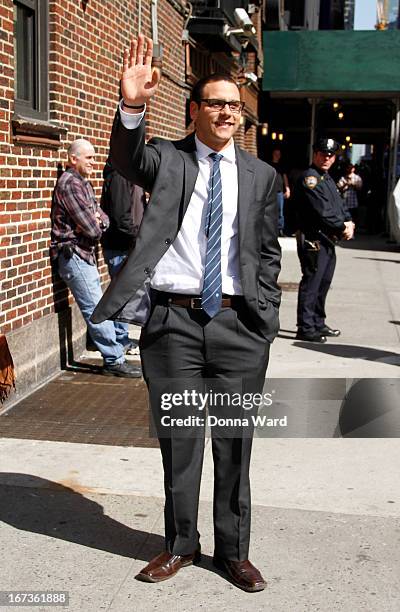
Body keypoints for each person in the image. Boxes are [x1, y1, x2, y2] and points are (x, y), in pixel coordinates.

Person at [92, 35, 281, 592]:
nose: (227, 112)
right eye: (215, 102)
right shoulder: (168, 160)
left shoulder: (262, 177)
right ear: (194, 110)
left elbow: (267, 249)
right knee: (179, 442)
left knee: (233, 445)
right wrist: (131, 107)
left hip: (239, 325)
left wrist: (263, 313)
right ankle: (179, 546)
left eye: (234, 105)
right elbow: (126, 158)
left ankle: (233, 552)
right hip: (173, 325)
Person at [50, 139, 142, 378]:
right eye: (88, 157)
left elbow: (104, 217)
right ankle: (114, 360)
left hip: (85, 254)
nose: (94, 162)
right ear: (73, 159)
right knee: (96, 309)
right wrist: (93, 222)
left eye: (93, 157)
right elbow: (93, 228)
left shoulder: (85, 184)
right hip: (74, 255)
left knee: (99, 305)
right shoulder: (70, 184)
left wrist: (95, 221)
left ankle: (115, 353)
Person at [294, 138, 355, 343]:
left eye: (330, 155)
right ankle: (306, 327)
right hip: (313, 238)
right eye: (322, 154)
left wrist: (349, 221)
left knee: (323, 283)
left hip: (327, 239)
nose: (326, 158)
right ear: (315, 154)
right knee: (312, 282)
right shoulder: (310, 178)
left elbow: (339, 205)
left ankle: (318, 323)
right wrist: (342, 226)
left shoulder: (327, 178)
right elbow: (323, 211)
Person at [101, 159, 147, 354]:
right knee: (121, 295)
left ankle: (121, 338)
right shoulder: (120, 175)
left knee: (123, 294)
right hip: (121, 245)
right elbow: (121, 218)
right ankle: (121, 341)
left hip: (127, 244)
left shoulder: (129, 174)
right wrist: (139, 236)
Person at [269, 147, 290, 235]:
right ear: (273, 154)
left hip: (279, 192)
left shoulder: (282, 165)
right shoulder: (268, 165)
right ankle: (270, 229)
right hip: (270, 191)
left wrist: (287, 189)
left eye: (279, 154)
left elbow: (285, 177)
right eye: (276, 154)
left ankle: (280, 229)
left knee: (280, 211)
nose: (277, 156)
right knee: (270, 211)